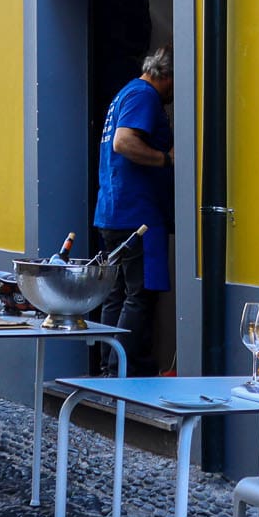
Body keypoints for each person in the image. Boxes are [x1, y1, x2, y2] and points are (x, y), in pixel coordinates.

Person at [92, 47, 173, 376]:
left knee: (118, 292)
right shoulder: (145, 96)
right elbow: (123, 142)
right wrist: (164, 159)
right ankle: (125, 370)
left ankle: (108, 368)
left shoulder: (125, 93)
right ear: (165, 76)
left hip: (112, 210)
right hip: (136, 212)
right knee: (139, 294)